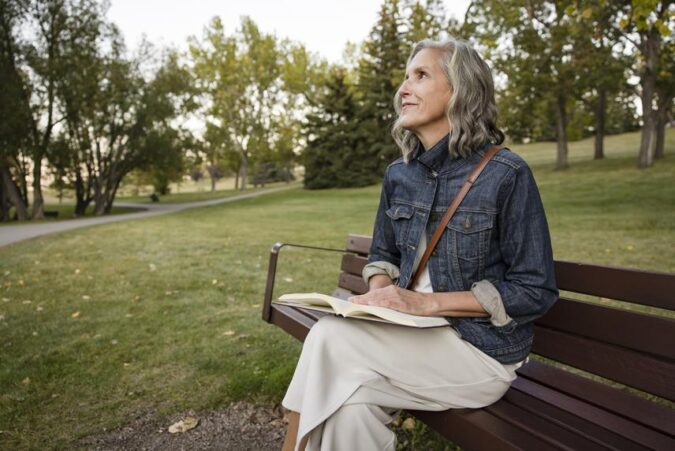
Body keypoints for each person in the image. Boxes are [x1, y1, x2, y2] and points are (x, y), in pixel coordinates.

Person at [280, 37, 558, 451]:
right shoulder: (400, 175)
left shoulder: (506, 174)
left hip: (479, 351)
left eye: (421, 75)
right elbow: (383, 255)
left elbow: (535, 290)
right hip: (405, 336)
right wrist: (380, 298)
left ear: (461, 91)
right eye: (405, 77)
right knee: (349, 407)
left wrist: (426, 304)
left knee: (328, 338)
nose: (403, 89)